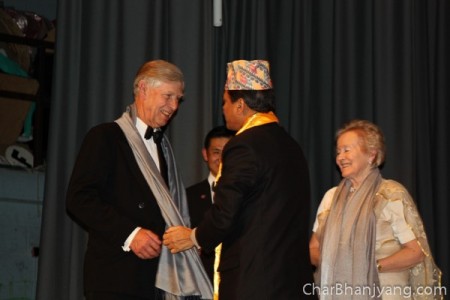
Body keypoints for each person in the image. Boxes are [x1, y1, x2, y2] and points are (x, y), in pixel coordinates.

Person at [163, 59, 315, 299]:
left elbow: (225, 214)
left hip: (255, 283)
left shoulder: (244, 145)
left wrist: (192, 237)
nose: (223, 109)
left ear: (240, 105)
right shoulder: (291, 146)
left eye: (225, 102)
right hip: (293, 284)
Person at [66, 60, 212, 300]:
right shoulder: (105, 137)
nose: (173, 106)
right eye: (168, 96)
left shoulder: (164, 148)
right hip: (117, 279)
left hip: (158, 282)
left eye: (178, 99)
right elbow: (79, 199)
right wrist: (131, 234)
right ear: (143, 89)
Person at [309, 119, 442, 299]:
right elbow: (313, 248)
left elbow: (416, 252)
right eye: (338, 151)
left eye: (347, 150)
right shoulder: (330, 198)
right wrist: (335, 266)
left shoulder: (391, 194)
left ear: (371, 155)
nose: (340, 157)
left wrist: (370, 267)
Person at [186, 125, 235, 283]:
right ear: (205, 154)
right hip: (198, 281)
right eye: (216, 152)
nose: (221, 159)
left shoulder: (248, 195)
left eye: (227, 152)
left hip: (237, 279)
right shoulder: (187, 196)